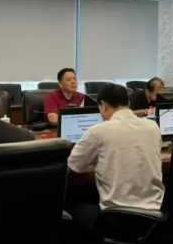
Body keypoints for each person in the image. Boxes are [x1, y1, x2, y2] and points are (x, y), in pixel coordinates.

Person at [67, 83, 164, 230]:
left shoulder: (98, 132)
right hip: (157, 217)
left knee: (68, 201)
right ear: (128, 104)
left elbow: (69, 167)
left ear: (104, 105)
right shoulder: (153, 127)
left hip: (118, 220)